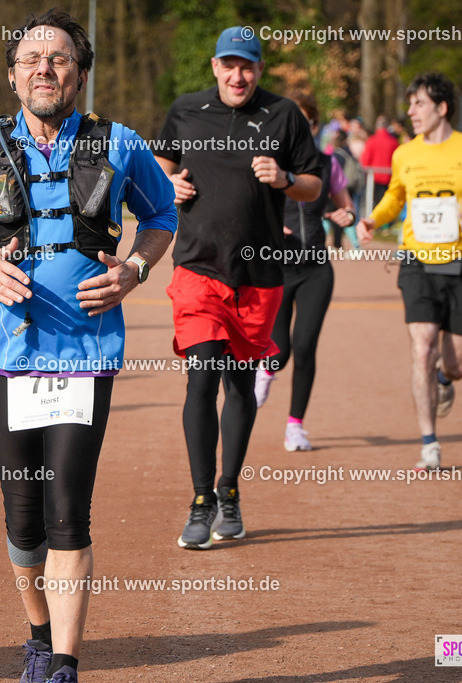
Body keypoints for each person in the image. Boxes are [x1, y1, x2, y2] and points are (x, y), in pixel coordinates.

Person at [0, 9, 176, 682]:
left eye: (58, 59)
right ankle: (38, 629)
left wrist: (135, 270)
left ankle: (63, 662)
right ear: (12, 76)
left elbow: (161, 215)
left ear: (81, 74)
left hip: (86, 357)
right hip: (11, 358)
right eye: (31, 59)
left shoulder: (119, 144)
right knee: (23, 518)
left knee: (68, 510)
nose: (44, 68)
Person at [154, 26, 322, 550]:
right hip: (199, 269)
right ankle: (201, 500)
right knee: (201, 380)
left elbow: (316, 184)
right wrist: (169, 184)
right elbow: (158, 169)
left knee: (239, 385)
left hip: (259, 275)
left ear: (259, 69)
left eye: (247, 65)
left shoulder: (285, 115)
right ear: (214, 66)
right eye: (229, 65)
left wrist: (284, 179)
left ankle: (230, 489)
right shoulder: (186, 109)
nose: (237, 75)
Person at [357, 72, 462, 469]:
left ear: (442, 108)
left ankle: (445, 381)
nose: (410, 112)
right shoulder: (404, 154)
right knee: (422, 346)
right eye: (410, 104)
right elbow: (395, 196)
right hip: (417, 261)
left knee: (457, 364)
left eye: (419, 104)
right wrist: (373, 220)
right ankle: (429, 444)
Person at [253, 92, 357, 452]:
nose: (298, 129)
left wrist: (347, 215)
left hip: (315, 269)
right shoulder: (265, 164)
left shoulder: (329, 165)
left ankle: (295, 426)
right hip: (277, 268)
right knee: (279, 351)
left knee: (307, 347)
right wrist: (267, 229)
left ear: (314, 127)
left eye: (306, 122)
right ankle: (265, 372)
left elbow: (346, 206)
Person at [360, 115, 399, 211]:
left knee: (372, 204)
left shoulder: (372, 140)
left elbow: (365, 160)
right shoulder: (393, 141)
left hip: (373, 178)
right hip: (389, 178)